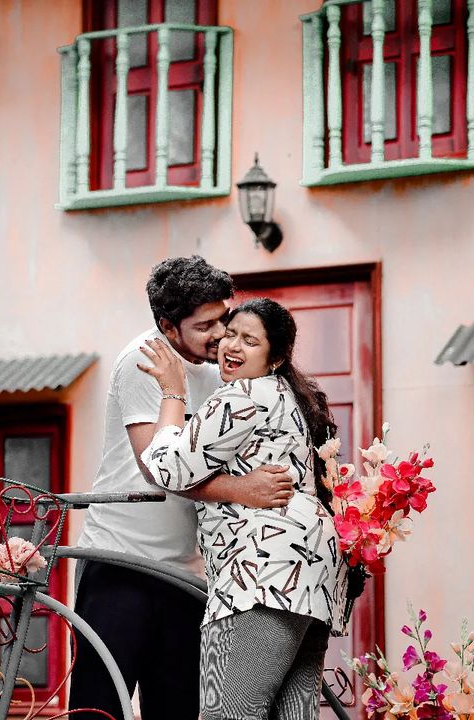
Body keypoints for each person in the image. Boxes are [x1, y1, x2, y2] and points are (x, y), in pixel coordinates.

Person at [70, 257, 295, 720]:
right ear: (167, 326)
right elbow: (158, 467)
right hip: (122, 560)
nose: (221, 335)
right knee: (100, 707)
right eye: (205, 325)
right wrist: (241, 490)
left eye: (224, 320)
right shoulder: (145, 361)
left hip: (188, 574)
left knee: (176, 707)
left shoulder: (224, 368)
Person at [137, 297, 349, 720]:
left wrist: (173, 391)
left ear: (275, 359)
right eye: (230, 334)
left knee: (227, 713)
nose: (231, 346)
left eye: (250, 341)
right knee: (292, 716)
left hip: (258, 576)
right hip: (311, 579)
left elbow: (166, 467)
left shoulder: (242, 396)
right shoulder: (288, 395)